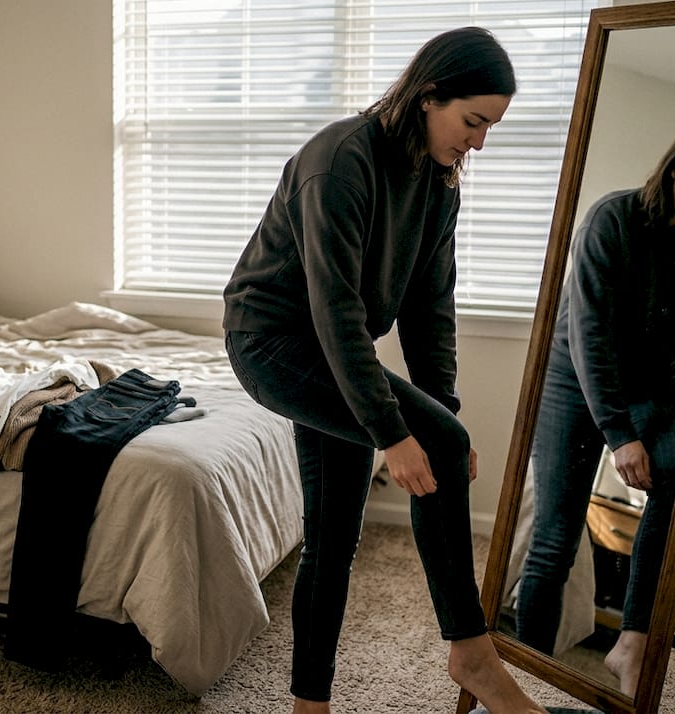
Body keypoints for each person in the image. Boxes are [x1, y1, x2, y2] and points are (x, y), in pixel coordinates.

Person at [223, 27, 546, 714]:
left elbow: (432, 312)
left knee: (334, 536)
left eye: (490, 127)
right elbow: (334, 306)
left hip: (334, 352)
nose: (479, 141)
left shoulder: (437, 185)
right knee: (438, 450)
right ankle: (472, 652)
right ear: (429, 95)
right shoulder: (339, 159)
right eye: (474, 121)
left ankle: (309, 705)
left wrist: (440, 414)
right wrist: (395, 433)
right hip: (273, 342)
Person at [514, 112, 675, 695]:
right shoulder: (611, 219)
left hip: (648, 383)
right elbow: (588, 336)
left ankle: (633, 640)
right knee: (554, 536)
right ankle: (524, 677)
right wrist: (620, 436)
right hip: (575, 378)